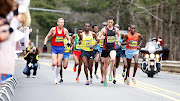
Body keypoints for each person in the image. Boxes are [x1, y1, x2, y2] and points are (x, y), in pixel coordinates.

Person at [43, 18, 71, 84]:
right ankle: (52, 64)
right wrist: (45, 44)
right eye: (60, 22)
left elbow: (68, 37)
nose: (61, 24)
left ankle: (56, 78)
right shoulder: (53, 29)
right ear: (57, 23)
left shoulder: (65, 30)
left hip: (61, 48)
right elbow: (47, 36)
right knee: (54, 63)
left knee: (59, 64)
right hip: (54, 48)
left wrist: (69, 42)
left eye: (62, 22)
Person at [97, 16, 121, 86]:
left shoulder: (116, 29)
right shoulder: (104, 30)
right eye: (109, 22)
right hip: (105, 48)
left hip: (112, 47)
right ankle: (105, 78)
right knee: (106, 65)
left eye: (111, 22)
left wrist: (118, 41)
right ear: (107, 22)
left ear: (113, 22)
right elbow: (98, 37)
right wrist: (101, 38)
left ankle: (110, 73)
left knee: (113, 59)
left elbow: (119, 35)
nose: (110, 23)